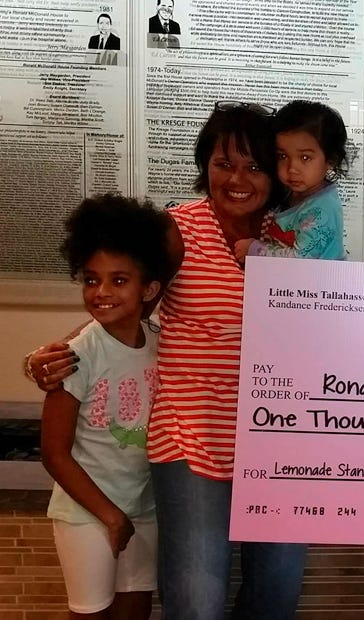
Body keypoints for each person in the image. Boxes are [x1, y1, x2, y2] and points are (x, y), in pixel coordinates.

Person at [28, 102, 308, 620]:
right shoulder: (176, 230)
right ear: (205, 167)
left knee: (276, 596)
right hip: (190, 435)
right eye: (224, 164)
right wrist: (58, 354)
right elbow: (124, 310)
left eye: (254, 166)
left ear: (276, 172)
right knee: (197, 603)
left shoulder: (295, 234)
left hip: (279, 440)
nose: (238, 179)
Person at [42, 195, 171, 619]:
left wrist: (128, 516)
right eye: (91, 279)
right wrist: (110, 516)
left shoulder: (160, 345)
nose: (101, 292)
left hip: (143, 509)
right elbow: (54, 453)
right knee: (91, 611)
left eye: (119, 280)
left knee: (136, 609)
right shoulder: (75, 355)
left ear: (149, 289)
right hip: (87, 513)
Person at [234, 100, 350, 262]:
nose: (292, 168)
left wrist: (254, 249)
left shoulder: (323, 209)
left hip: (320, 285)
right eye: (282, 156)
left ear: (331, 160)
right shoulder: (294, 192)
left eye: (305, 157)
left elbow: (300, 260)